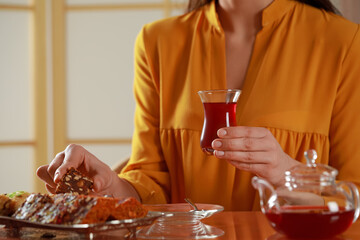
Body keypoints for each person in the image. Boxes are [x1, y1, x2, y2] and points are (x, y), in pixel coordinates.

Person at [37, 0, 360, 211]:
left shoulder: (344, 43)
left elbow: (353, 194)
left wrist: (286, 172)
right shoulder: (157, 42)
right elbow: (150, 179)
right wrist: (111, 185)